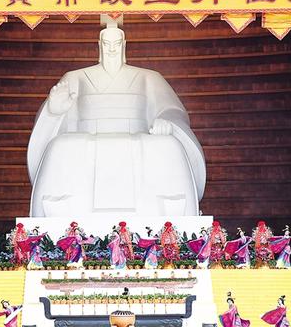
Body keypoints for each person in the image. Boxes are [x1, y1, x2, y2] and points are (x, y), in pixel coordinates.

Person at [28, 25, 206, 217]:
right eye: (107, 44)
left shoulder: (150, 77)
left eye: (117, 44)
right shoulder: (74, 77)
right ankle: (60, 212)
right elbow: (53, 115)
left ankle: (170, 210)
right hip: (85, 139)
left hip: (140, 138)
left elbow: (172, 109)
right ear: (99, 46)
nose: (112, 49)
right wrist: (54, 112)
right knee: (61, 146)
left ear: (124, 46)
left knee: (168, 144)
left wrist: (166, 121)